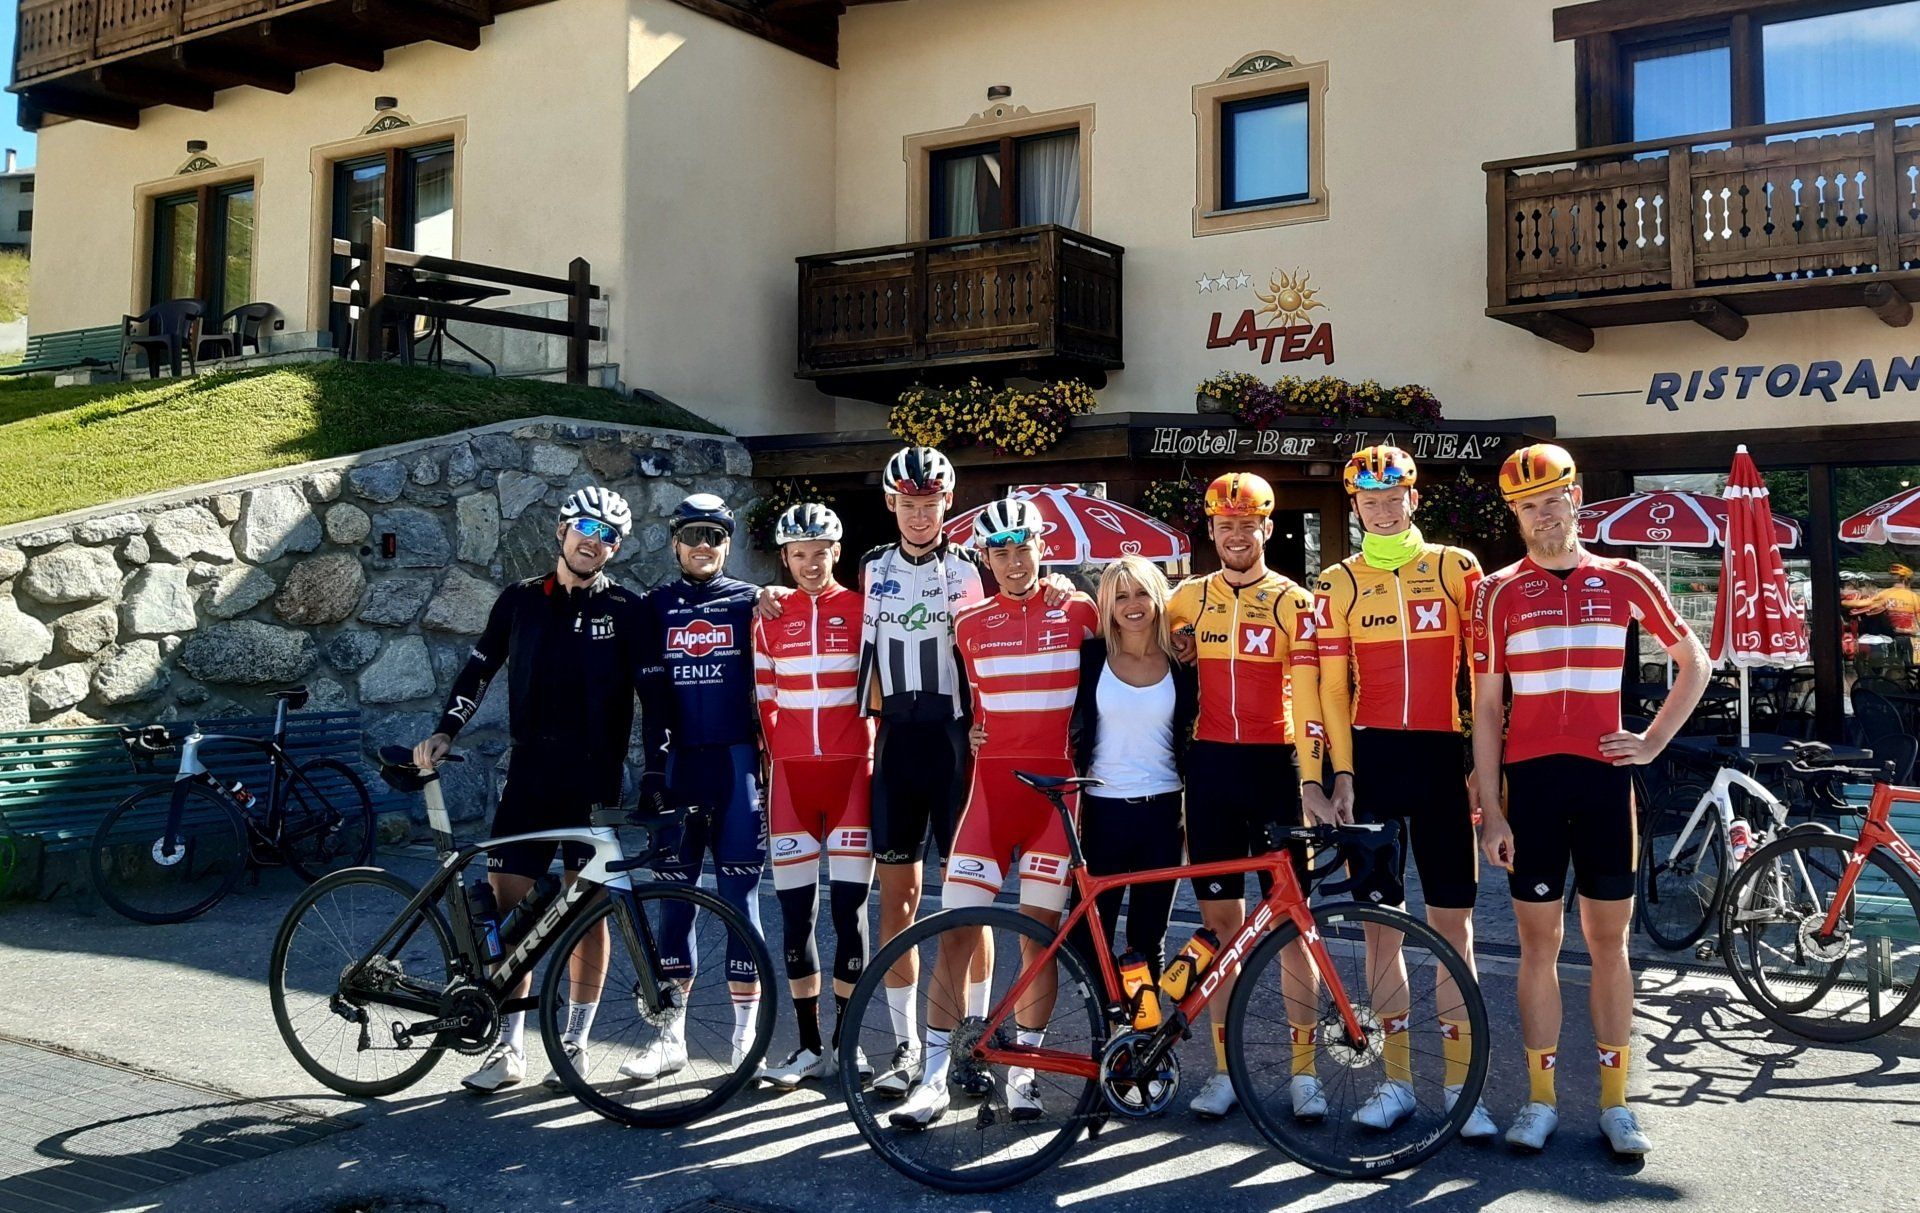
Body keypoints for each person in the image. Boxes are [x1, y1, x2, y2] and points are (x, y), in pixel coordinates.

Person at [755, 447, 1071, 1100]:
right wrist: (775, 594)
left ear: (946, 503)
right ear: (892, 504)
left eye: (931, 502)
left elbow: (1013, 620)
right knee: (895, 901)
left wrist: (1062, 584)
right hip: (895, 743)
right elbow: (825, 603)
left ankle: (972, 1040)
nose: (921, 513)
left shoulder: (971, 564)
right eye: (909, 502)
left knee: (968, 910)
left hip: (958, 746)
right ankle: (905, 1046)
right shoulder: (870, 566)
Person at [1472, 443, 1708, 1158]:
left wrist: (1655, 739)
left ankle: (1615, 1102)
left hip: (1606, 782)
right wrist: (1493, 806)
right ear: (1515, 515)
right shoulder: (1497, 591)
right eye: (1527, 507)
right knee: (1537, 945)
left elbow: (1695, 658)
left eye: (1552, 500)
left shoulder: (1626, 576)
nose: (1543, 517)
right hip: (1532, 785)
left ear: (1575, 499)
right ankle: (1539, 1100)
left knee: (1611, 944)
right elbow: (1485, 706)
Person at [413, 485, 641, 1094]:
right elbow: (480, 668)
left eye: (609, 535)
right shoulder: (519, 601)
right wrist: (445, 729)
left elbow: (656, 695)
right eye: (586, 528)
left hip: (595, 780)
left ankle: (574, 1044)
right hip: (530, 777)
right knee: (508, 906)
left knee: (587, 911)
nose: (595, 541)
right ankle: (509, 1049)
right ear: (563, 531)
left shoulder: (627, 608)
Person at [1304, 445, 1497, 1138]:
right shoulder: (1337, 580)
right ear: (1354, 506)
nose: (1383, 509)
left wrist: (1484, 765)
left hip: (1444, 760)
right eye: (1369, 500)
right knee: (1382, 930)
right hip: (1375, 763)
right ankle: (1396, 1083)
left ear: (1414, 498)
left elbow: (1482, 678)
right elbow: (1330, 688)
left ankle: (1461, 1085)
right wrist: (1343, 773)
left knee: (1456, 928)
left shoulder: (1456, 567)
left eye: (1395, 497)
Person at [891, 497, 1100, 1128]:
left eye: (1023, 547)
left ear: (1043, 546)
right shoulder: (968, 622)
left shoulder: (1080, 610)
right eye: (1000, 551)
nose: (1014, 561)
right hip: (989, 796)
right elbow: (968, 710)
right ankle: (933, 1076)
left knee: (1037, 942)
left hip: (1055, 800)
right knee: (955, 930)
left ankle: (1024, 1075)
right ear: (984, 558)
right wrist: (976, 736)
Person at [1165, 471, 1324, 1121]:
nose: (1236, 534)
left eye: (1247, 523)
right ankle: (1226, 1070)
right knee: (1222, 928)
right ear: (1211, 530)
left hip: (1276, 769)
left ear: (1267, 527)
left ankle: (1305, 1072)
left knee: (1293, 927)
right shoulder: (1184, 599)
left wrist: (1320, 781)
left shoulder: (1294, 600)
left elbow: (1320, 700)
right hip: (1212, 773)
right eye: (1224, 524)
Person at [625, 492, 767, 1079]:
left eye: (714, 535)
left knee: (741, 903)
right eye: (691, 535)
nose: (703, 545)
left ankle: (744, 1040)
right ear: (675, 543)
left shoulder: (755, 602)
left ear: (728, 543)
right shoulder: (654, 605)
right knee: (674, 908)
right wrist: (651, 772)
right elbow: (642, 693)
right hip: (679, 769)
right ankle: (670, 1039)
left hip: (738, 769)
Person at [751, 504, 875, 1088]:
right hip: (792, 782)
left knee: (849, 914)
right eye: (798, 553)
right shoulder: (768, 615)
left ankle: (848, 1046)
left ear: (837, 550)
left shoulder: (864, 608)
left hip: (854, 776)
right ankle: (807, 1047)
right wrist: (786, 750)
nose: (809, 563)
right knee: (796, 916)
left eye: (819, 551)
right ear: (784, 558)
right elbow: (764, 697)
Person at [1069, 555, 1196, 973]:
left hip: (1162, 813)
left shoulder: (1183, 664)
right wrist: (981, 726)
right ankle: (1103, 1029)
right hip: (1102, 811)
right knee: (1090, 937)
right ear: (1107, 604)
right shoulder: (1089, 658)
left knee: (1148, 937)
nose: (1132, 604)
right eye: (1121, 596)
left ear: (1159, 598)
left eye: (1142, 592)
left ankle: (1142, 1035)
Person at [1850, 562, 1919, 676]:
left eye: (1895, 577)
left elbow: (1863, 604)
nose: (1892, 579)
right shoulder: (1913, 597)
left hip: (1890, 638)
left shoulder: (1884, 594)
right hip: (1895, 638)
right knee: (1907, 666)